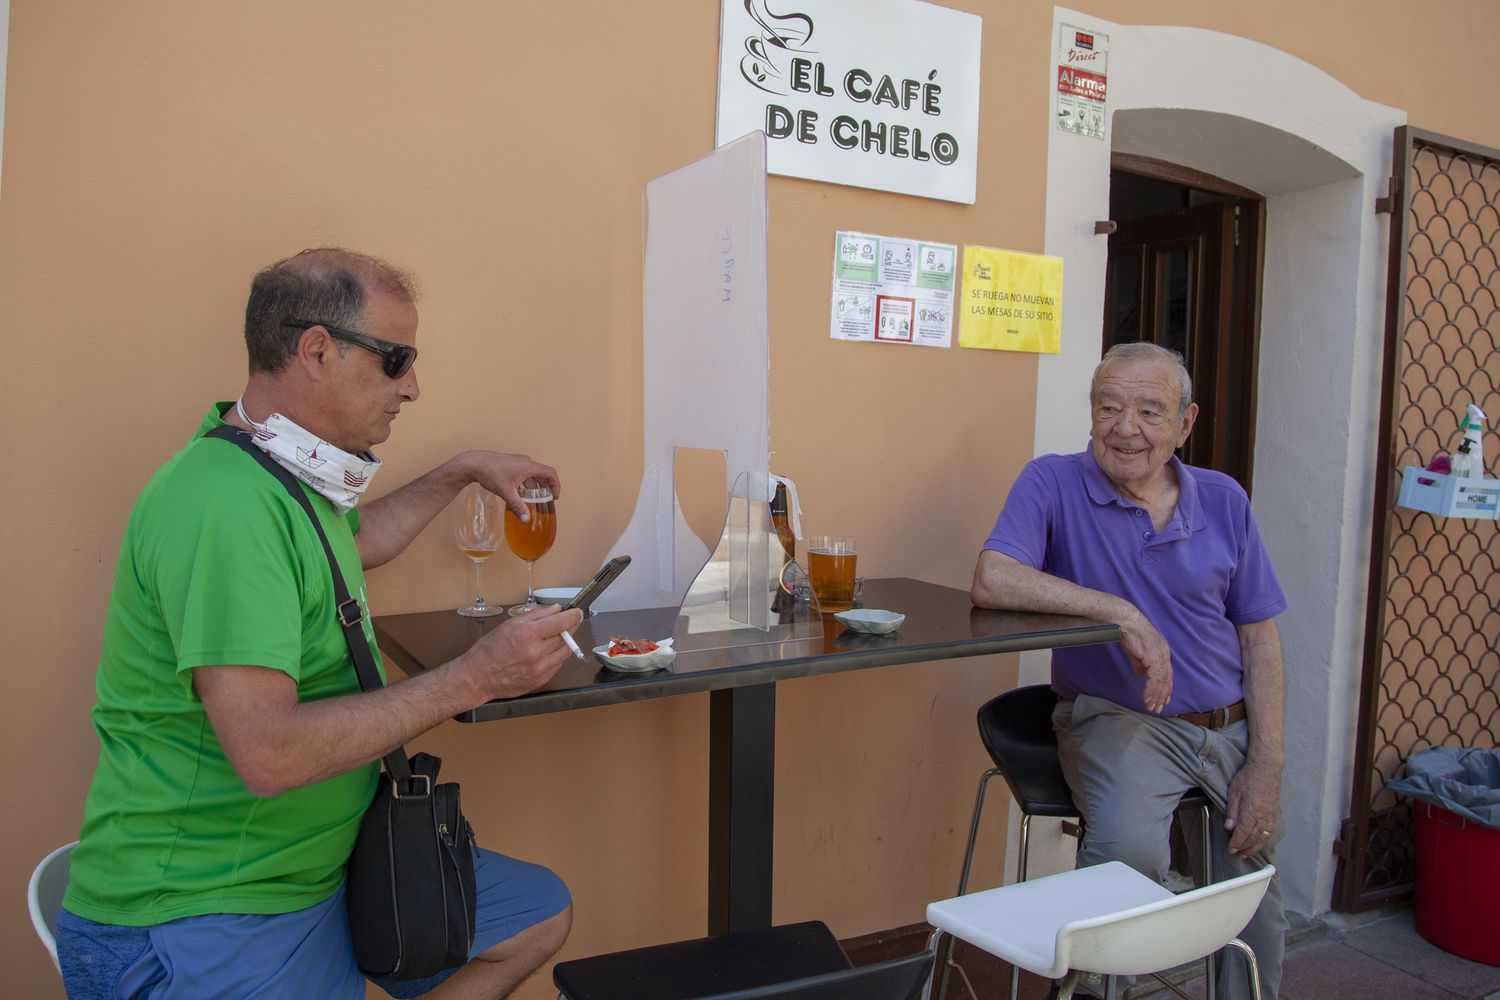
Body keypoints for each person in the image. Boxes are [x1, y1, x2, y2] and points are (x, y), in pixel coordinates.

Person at [59, 248, 582, 999]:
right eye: (396, 359)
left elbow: (352, 545)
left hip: (320, 867)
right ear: (316, 350)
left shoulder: (274, 477)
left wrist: (462, 469)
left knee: (533, 915)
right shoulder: (226, 507)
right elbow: (269, 755)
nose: (412, 386)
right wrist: (474, 677)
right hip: (211, 908)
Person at [971, 342, 1288, 1000]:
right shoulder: (1052, 482)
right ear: (1091, 415)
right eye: (1109, 407)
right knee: (1129, 863)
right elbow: (992, 577)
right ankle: (1091, 989)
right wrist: (1122, 614)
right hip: (1121, 721)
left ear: (1186, 422)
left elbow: (1260, 638)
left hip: (1225, 728)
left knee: (1251, 896)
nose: (1126, 428)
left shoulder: (1225, 501)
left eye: (1149, 411)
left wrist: (1267, 762)